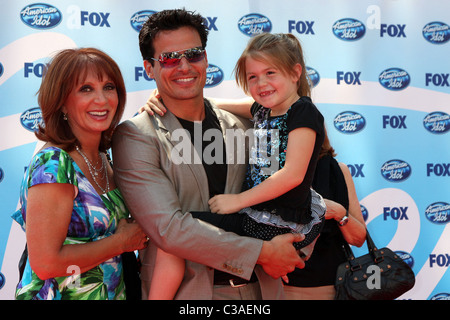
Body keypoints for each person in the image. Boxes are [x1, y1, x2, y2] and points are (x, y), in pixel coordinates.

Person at [111, 9, 305, 300]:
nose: (184, 66)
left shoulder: (245, 125)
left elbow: (293, 188)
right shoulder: (136, 136)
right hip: (191, 295)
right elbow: (170, 228)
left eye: (194, 54)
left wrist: (291, 247)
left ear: (205, 57)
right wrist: (262, 253)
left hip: (264, 292)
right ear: (149, 68)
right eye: (169, 59)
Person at [11, 48, 148, 300]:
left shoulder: (105, 157)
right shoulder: (53, 164)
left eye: (109, 87)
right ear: (62, 101)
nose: (102, 100)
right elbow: (46, 264)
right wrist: (122, 243)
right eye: (86, 89)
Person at [283, 130, 367, 300]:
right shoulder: (266, 169)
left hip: (330, 283)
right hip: (277, 281)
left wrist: (339, 213)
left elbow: (358, 239)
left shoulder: (338, 170)